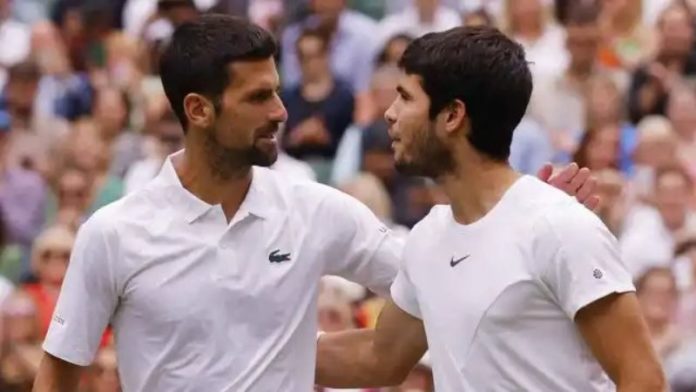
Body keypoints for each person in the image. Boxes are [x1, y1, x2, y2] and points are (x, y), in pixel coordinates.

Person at [33, 15, 597, 391]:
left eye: (278, 89)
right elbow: (59, 374)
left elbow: (447, 274)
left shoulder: (318, 210)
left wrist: (524, 214)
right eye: (258, 97)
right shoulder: (113, 234)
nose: (281, 110)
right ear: (198, 110)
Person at [315, 26, 665, 391]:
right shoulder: (427, 239)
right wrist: (263, 347)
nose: (389, 113)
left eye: (405, 97)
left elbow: (644, 379)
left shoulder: (559, 227)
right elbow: (377, 358)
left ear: (452, 115)